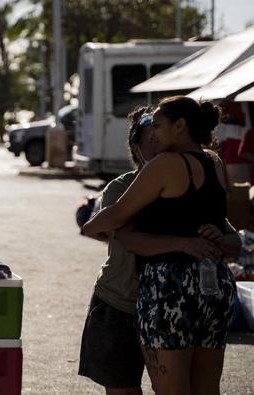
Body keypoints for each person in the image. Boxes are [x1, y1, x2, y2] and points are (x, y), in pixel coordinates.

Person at [83, 96, 240, 395]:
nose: (153, 134)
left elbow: (117, 215)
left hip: (170, 288)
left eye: (158, 126)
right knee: (207, 389)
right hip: (215, 285)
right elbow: (221, 223)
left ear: (180, 126)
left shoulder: (166, 164)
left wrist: (89, 226)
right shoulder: (214, 161)